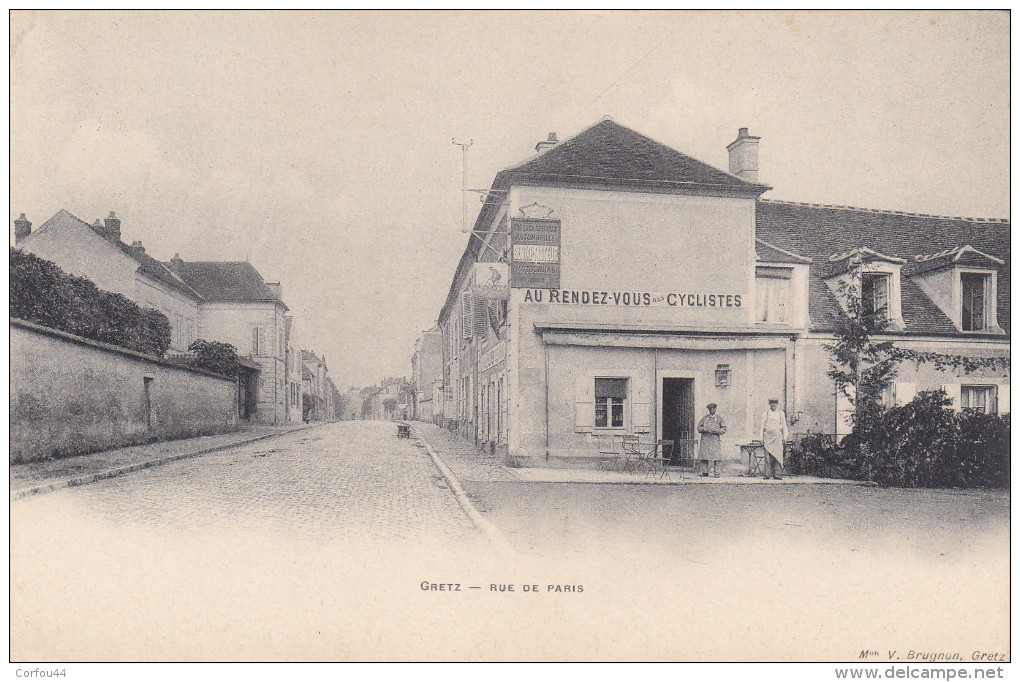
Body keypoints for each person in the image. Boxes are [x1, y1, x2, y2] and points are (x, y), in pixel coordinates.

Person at [759, 398, 789, 480]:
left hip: (777, 438)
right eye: (772, 403)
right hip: (768, 438)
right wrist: (761, 438)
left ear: (777, 404)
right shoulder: (766, 414)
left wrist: (785, 436)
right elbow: (761, 427)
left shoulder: (781, 414)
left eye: (775, 404)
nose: (773, 405)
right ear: (769, 404)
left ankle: (777, 474)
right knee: (768, 457)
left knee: (778, 456)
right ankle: (767, 474)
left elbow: (784, 426)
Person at [696, 403, 726, 478]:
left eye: (714, 409)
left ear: (715, 409)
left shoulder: (719, 418)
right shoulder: (705, 418)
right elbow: (699, 427)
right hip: (705, 439)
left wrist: (716, 431)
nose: (712, 410)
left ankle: (717, 473)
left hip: (715, 440)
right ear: (709, 410)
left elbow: (724, 429)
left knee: (716, 457)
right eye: (710, 409)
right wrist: (704, 429)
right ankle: (705, 472)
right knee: (704, 456)